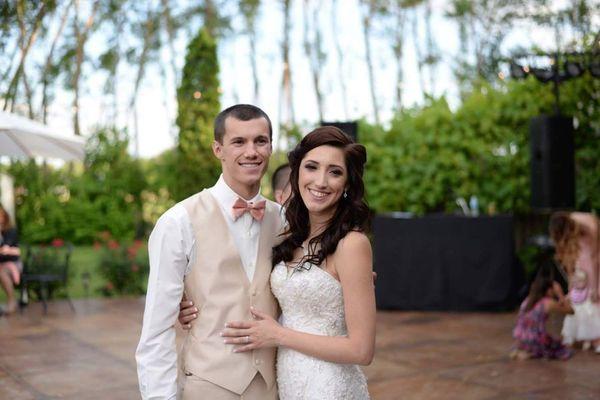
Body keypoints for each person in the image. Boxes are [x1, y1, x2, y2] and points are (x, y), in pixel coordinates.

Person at [187, 127, 375, 399]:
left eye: (335, 172)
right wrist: (190, 305)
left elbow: (362, 350)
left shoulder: (352, 244)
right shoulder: (291, 234)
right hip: (288, 381)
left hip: (330, 386)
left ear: (347, 184)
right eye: (312, 167)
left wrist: (279, 335)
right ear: (297, 173)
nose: (321, 181)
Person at [136, 104, 286, 400]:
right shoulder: (178, 222)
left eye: (260, 141)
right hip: (208, 386)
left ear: (270, 147)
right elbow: (157, 330)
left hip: (273, 387)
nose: (251, 151)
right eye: (238, 142)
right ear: (218, 149)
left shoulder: (285, 220)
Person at [549, 211, 600, 352]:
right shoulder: (569, 230)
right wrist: (571, 280)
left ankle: (596, 337)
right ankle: (584, 335)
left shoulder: (590, 226)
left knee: (593, 298)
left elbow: (595, 259)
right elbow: (571, 253)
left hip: (595, 258)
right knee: (578, 297)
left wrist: (595, 287)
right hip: (584, 258)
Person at [511, 269, 574, 360]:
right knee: (560, 347)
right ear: (548, 290)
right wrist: (560, 295)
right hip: (535, 339)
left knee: (551, 339)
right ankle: (533, 352)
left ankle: (525, 350)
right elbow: (571, 311)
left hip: (521, 338)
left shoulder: (528, 300)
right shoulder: (548, 303)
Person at [561, 269, 600, 350]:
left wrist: (593, 295)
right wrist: (564, 301)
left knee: (587, 327)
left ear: (586, 282)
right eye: (576, 281)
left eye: (581, 281)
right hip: (574, 313)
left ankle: (589, 340)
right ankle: (569, 340)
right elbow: (566, 299)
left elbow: (593, 298)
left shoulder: (588, 291)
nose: (578, 283)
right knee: (571, 325)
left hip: (585, 313)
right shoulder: (572, 292)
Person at [0, 204, 21, 315]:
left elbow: (5, 248)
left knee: (2, 272)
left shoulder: (10, 231)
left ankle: (11, 301)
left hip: (13, 264)